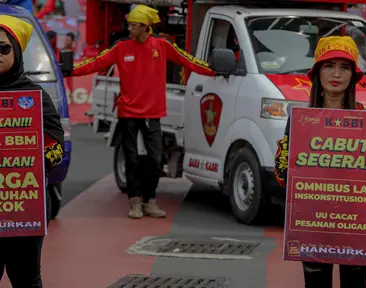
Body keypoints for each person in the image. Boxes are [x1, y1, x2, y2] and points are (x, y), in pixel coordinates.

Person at [70, 4, 216, 219]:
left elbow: (189, 60)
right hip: (128, 113)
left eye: (134, 25)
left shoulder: (162, 45)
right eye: (129, 25)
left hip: (152, 113)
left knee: (155, 160)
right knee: (132, 158)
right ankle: (134, 202)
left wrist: (213, 71)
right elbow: (95, 62)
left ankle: (150, 200)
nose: (130, 29)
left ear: (146, 27)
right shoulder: (121, 48)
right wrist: (69, 70)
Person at [274, 36, 366, 288]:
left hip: (358, 226)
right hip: (314, 224)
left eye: (345, 67)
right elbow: (283, 175)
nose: (336, 74)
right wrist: (288, 163)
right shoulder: (300, 120)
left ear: (353, 75)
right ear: (317, 73)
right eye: (329, 66)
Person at [0, 15, 64, 287]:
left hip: (23, 209)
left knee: (26, 279)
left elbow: (56, 148)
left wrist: (35, 160)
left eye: (3, 48)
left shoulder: (35, 96)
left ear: (16, 50)